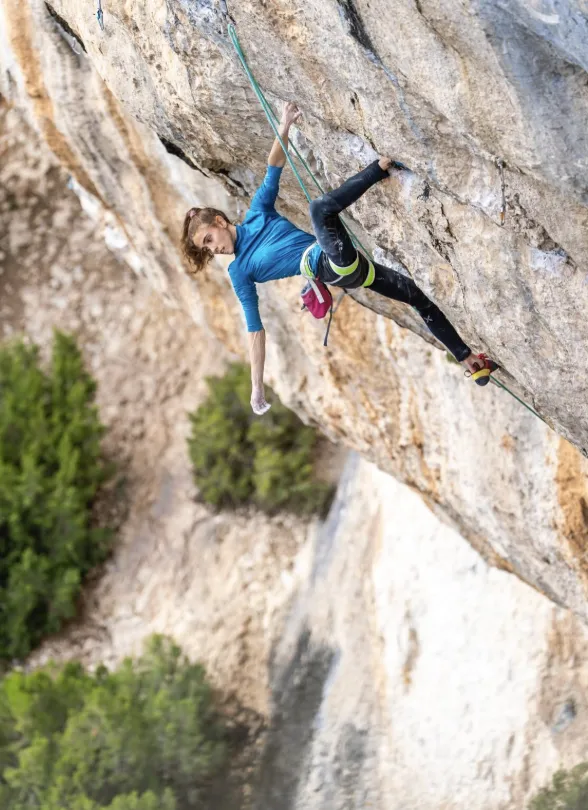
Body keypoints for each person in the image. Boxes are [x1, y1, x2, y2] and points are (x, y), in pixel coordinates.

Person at [181, 102, 497, 415]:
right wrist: (257, 387)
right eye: (207, 249)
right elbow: (254, 329)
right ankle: (381, 166)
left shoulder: (257, 214)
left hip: (355, 269)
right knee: (320, 210)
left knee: (416, 296)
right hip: (332, 266)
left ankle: (468, 360)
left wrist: (284, 126)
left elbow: (273, 166)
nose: (214, 249)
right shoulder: (240, 271)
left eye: (209, 239)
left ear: (220, 222)